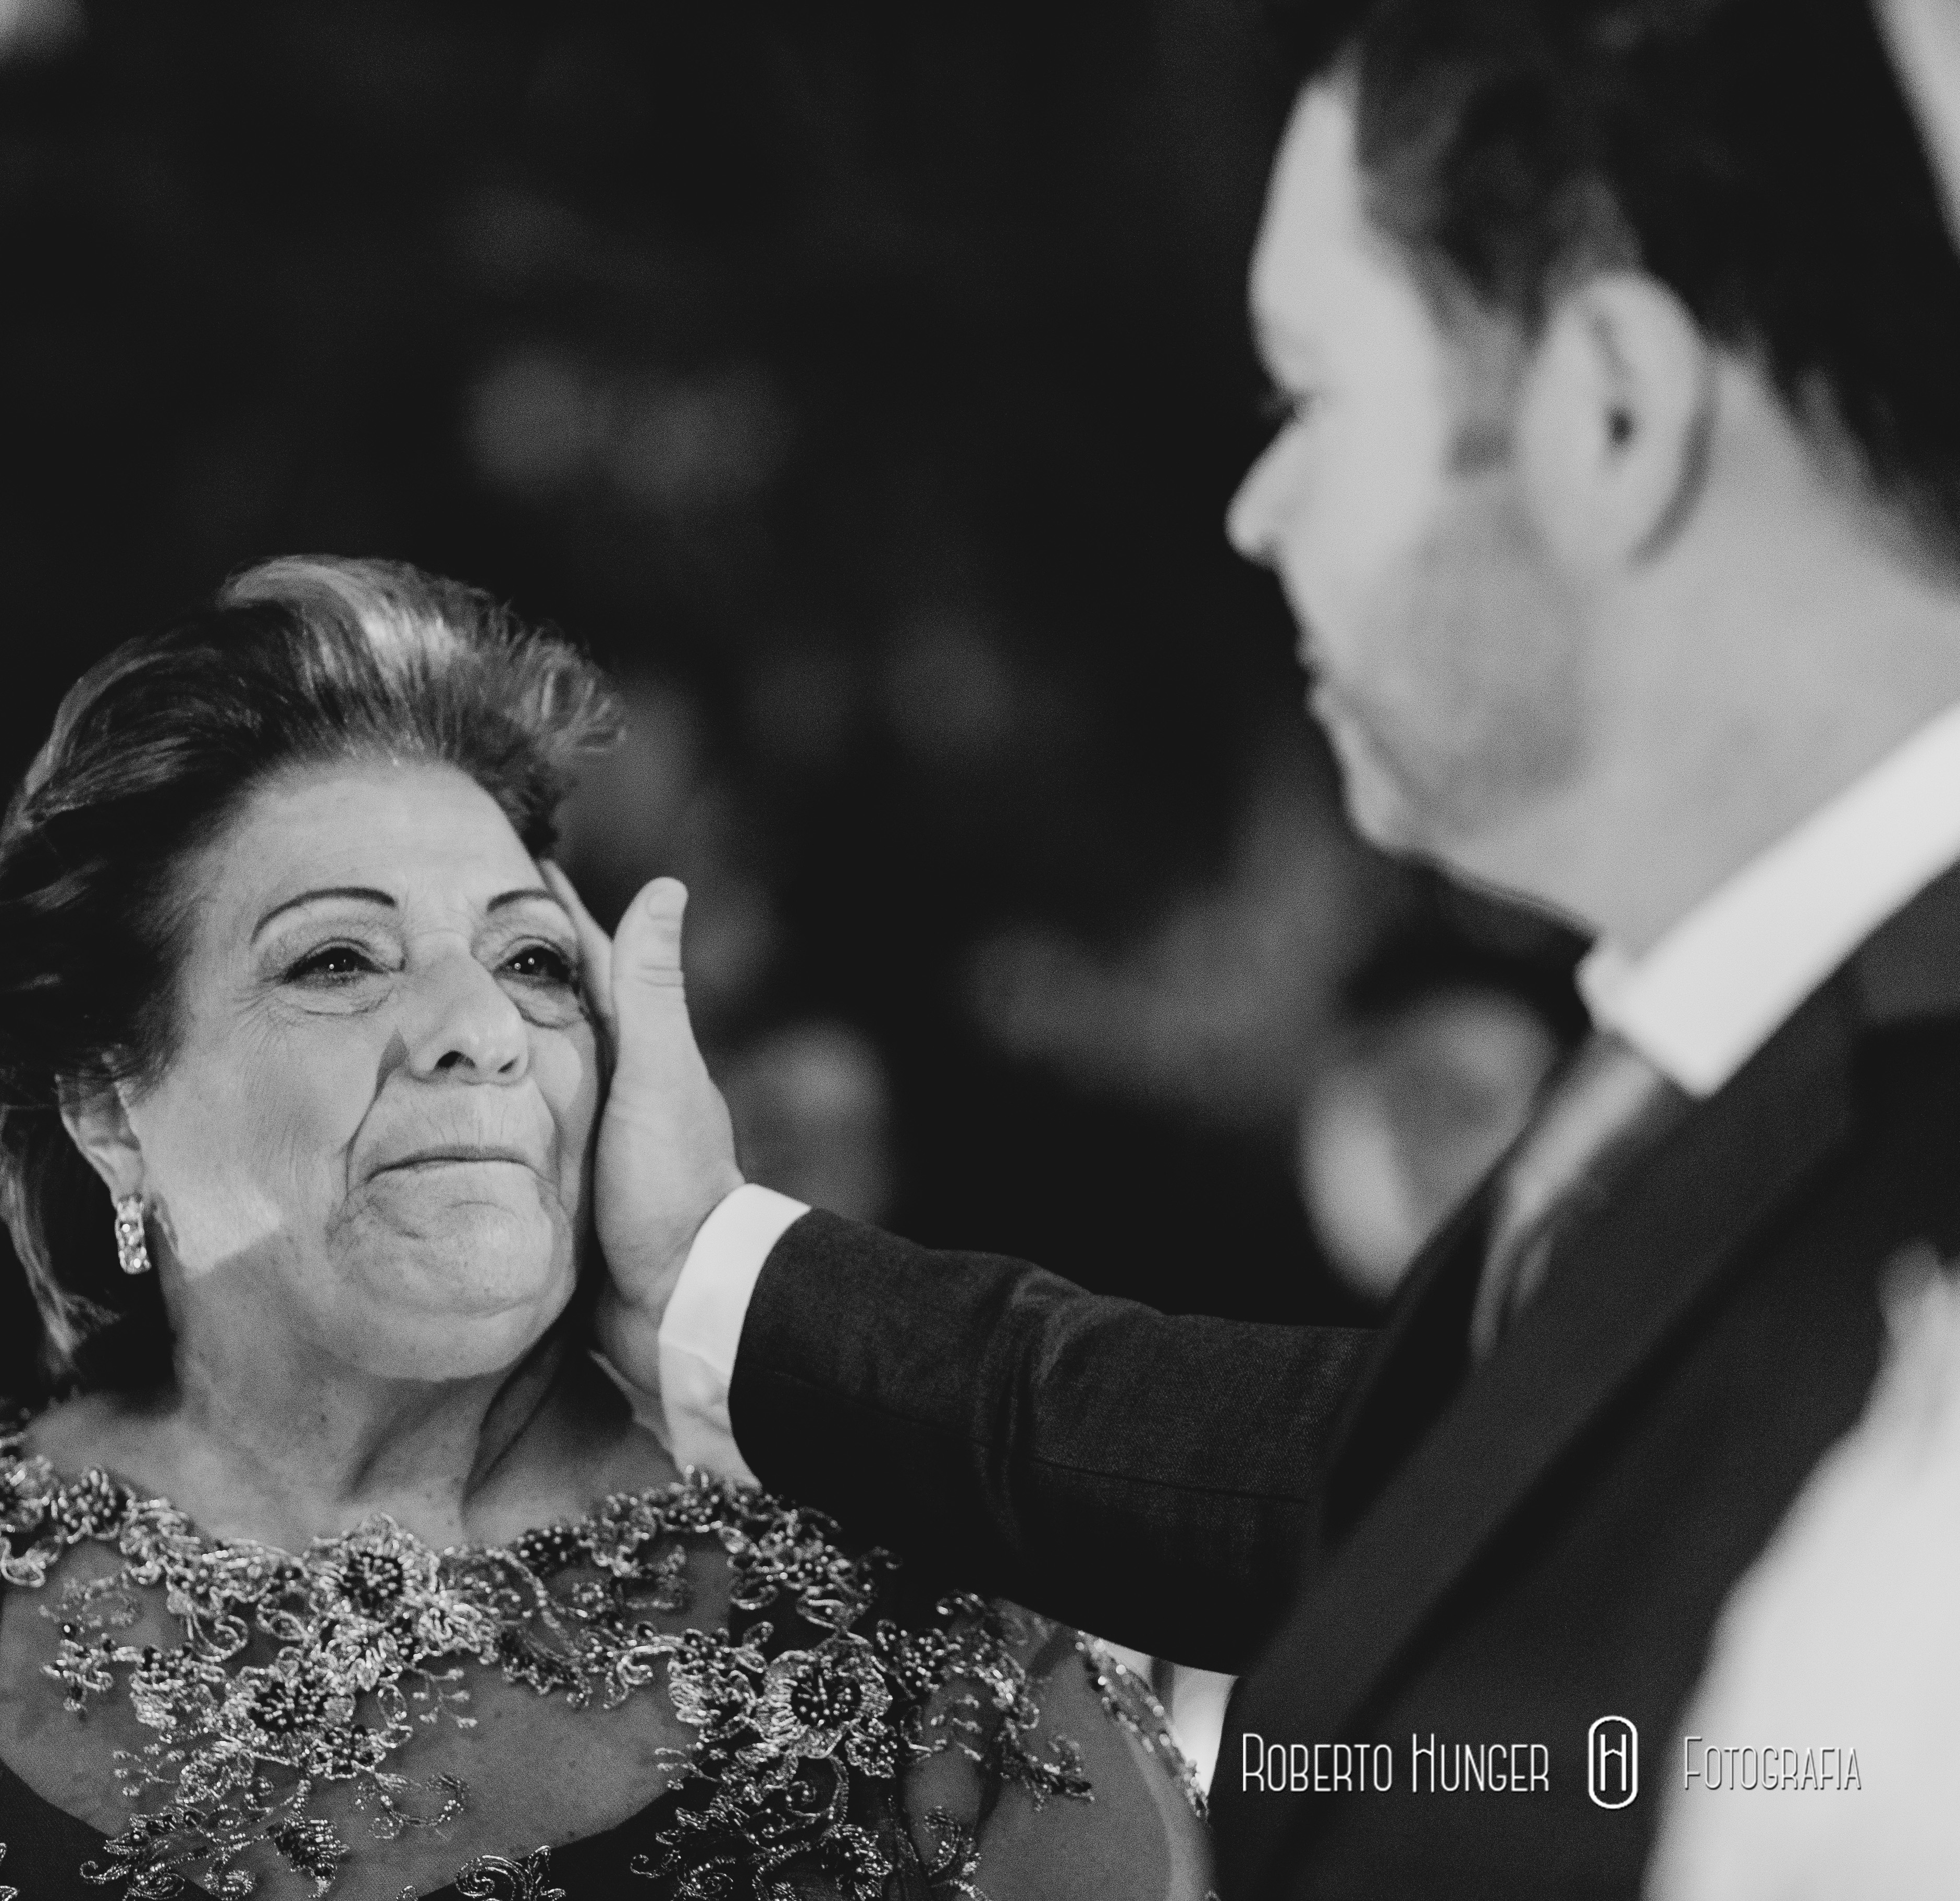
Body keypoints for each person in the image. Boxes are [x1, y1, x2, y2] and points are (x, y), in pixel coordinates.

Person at [571, 3, 1960, 1897]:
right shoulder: (1724, 1065)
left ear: (1615, 417)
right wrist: (718, 1279)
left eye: (1312, 398)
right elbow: (1414, 1480)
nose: (1256, 513)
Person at [0, 558, 1210, 1901]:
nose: (474, 1023)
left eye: (534, 961)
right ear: (107, 1098)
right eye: (337, 958)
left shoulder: (922, 1649)